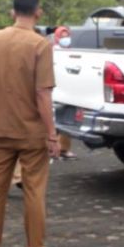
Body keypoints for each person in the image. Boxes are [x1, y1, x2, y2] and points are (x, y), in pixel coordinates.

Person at [0, 0, 58, 247]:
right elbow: (43, 95)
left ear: (12, 12)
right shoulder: (40, 45)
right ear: (38, 12)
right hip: (31, 131)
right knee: (34, 190)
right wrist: (52, 135)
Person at [50, 26, 76, 160]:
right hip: (55, 91)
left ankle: (63, 149)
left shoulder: (70, 52)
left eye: (67, 36)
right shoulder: (53, 51)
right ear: (57, 37)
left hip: (68, 91)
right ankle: (54, 148)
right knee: (55, 121)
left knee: (67, 120)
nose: (66, 39)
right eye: (63, 36)